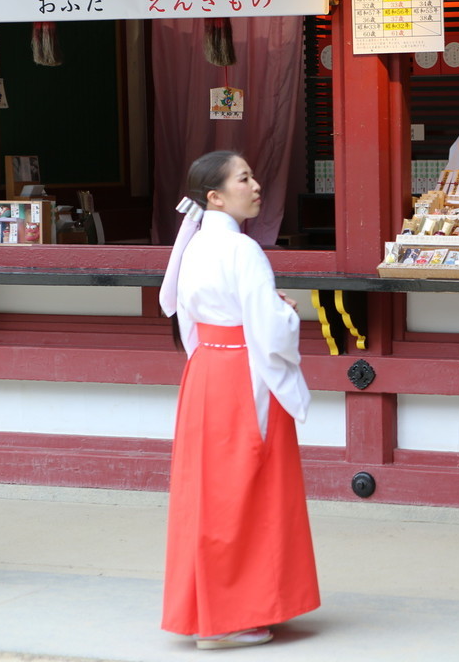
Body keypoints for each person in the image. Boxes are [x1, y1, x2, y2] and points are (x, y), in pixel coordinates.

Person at [158, 151, 320, 648]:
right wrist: (285, 314)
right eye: (244, 178)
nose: (255, 186)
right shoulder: (243, 250)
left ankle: (209, 609)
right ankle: (232, 616)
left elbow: (186, 317)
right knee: (248, 492)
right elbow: (270, 333)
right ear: (215, 195)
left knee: (208, 492)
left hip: (206, 368)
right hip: (243, 374)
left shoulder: (196, 246)